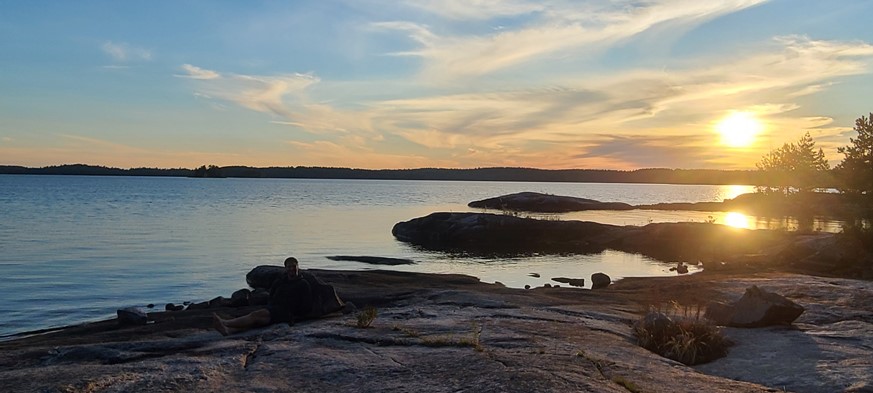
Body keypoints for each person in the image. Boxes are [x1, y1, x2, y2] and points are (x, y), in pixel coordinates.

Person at [213, 257, 313, 336]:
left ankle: (225, 323)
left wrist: (295, 315)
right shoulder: (280, 281)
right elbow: (271, 296)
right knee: (256, 320)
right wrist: (270, 306)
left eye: (294, 266)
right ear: (285, 268)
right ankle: (229, 331)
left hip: (287, 313)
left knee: (255, 315)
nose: (292, 269)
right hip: (274, 309)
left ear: (297, 267)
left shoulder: (303, 284)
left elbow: (306, 305)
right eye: (289, 267)